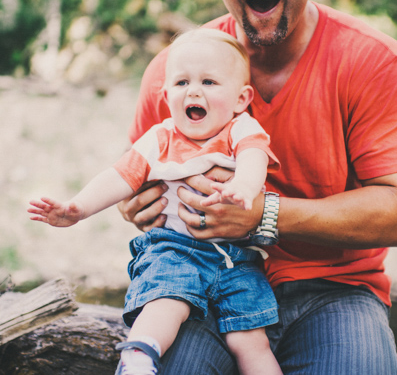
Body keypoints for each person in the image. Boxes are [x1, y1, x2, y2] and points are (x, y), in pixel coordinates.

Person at [117, 0, 397, 373]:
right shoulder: (175, 73)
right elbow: (136, 179)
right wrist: (137, 203)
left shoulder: (373, 62)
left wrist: (262, 215)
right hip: (201, 280)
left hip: (335, 291)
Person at [28, 28, 283, 375]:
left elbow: (255, 156)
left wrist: (244, 185)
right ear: (165, 95)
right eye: (181, 83)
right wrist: (78, 208)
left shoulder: (239, 129)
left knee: (250, 340)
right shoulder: (160, 138)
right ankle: (138, 355)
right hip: (175, 249)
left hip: (237, 260)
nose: (193, 90)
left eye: (209, 82)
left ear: (241, 98)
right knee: (167, 301)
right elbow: (120, 175)